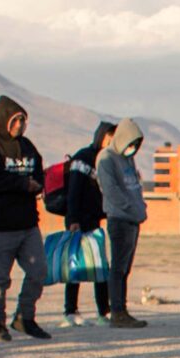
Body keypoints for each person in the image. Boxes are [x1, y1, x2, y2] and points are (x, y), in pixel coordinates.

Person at [0, 94, 48, 341]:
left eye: (23, 121)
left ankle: (25, 318)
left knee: (39, 271)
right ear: (3, 120)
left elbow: (38, 175)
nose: (19, 125)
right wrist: (20, 184)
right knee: (0, 279)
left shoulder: (28, 147)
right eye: (15, 120)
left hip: (27, 224)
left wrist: (36, 185)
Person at [94, 119, 148, 327]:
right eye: (131, 142)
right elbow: (112, 191)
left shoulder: (128, 159)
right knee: (118, 267)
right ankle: (116, 311)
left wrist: (141, 208)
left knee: (126, 267)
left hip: (134, 218)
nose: (132, 147)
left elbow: (134, 185)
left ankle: (122, 309)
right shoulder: (106, 159)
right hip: (120, 219)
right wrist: (132, 208)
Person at [58, 120, 113, 325]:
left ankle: (103, 312)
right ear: (100, 136)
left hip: (94, 221)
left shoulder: (106, 160)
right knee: (76, 266)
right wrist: (72, 219)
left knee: (99, 265)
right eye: (109, 137)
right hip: (78, 221)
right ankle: (71, 311)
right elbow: (74, 190)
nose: (111, 141)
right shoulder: (83, 158)